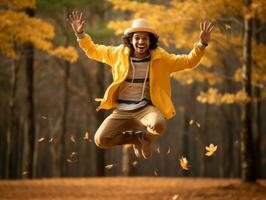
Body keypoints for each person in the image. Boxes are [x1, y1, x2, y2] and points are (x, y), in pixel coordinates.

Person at [67, 11, 214, 159]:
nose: (141, 42)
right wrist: (80, 35)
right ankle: (136, 139)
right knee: (101, 140)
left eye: (145, 38)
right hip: (122, 111)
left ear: (150, 41)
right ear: (131, 40)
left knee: (158, 124)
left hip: (145, 109)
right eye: (137, 38)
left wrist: (202, 44)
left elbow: (188, 61)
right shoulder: (118, 54)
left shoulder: (161, 58)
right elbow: (93, 50)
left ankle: (146, 139)